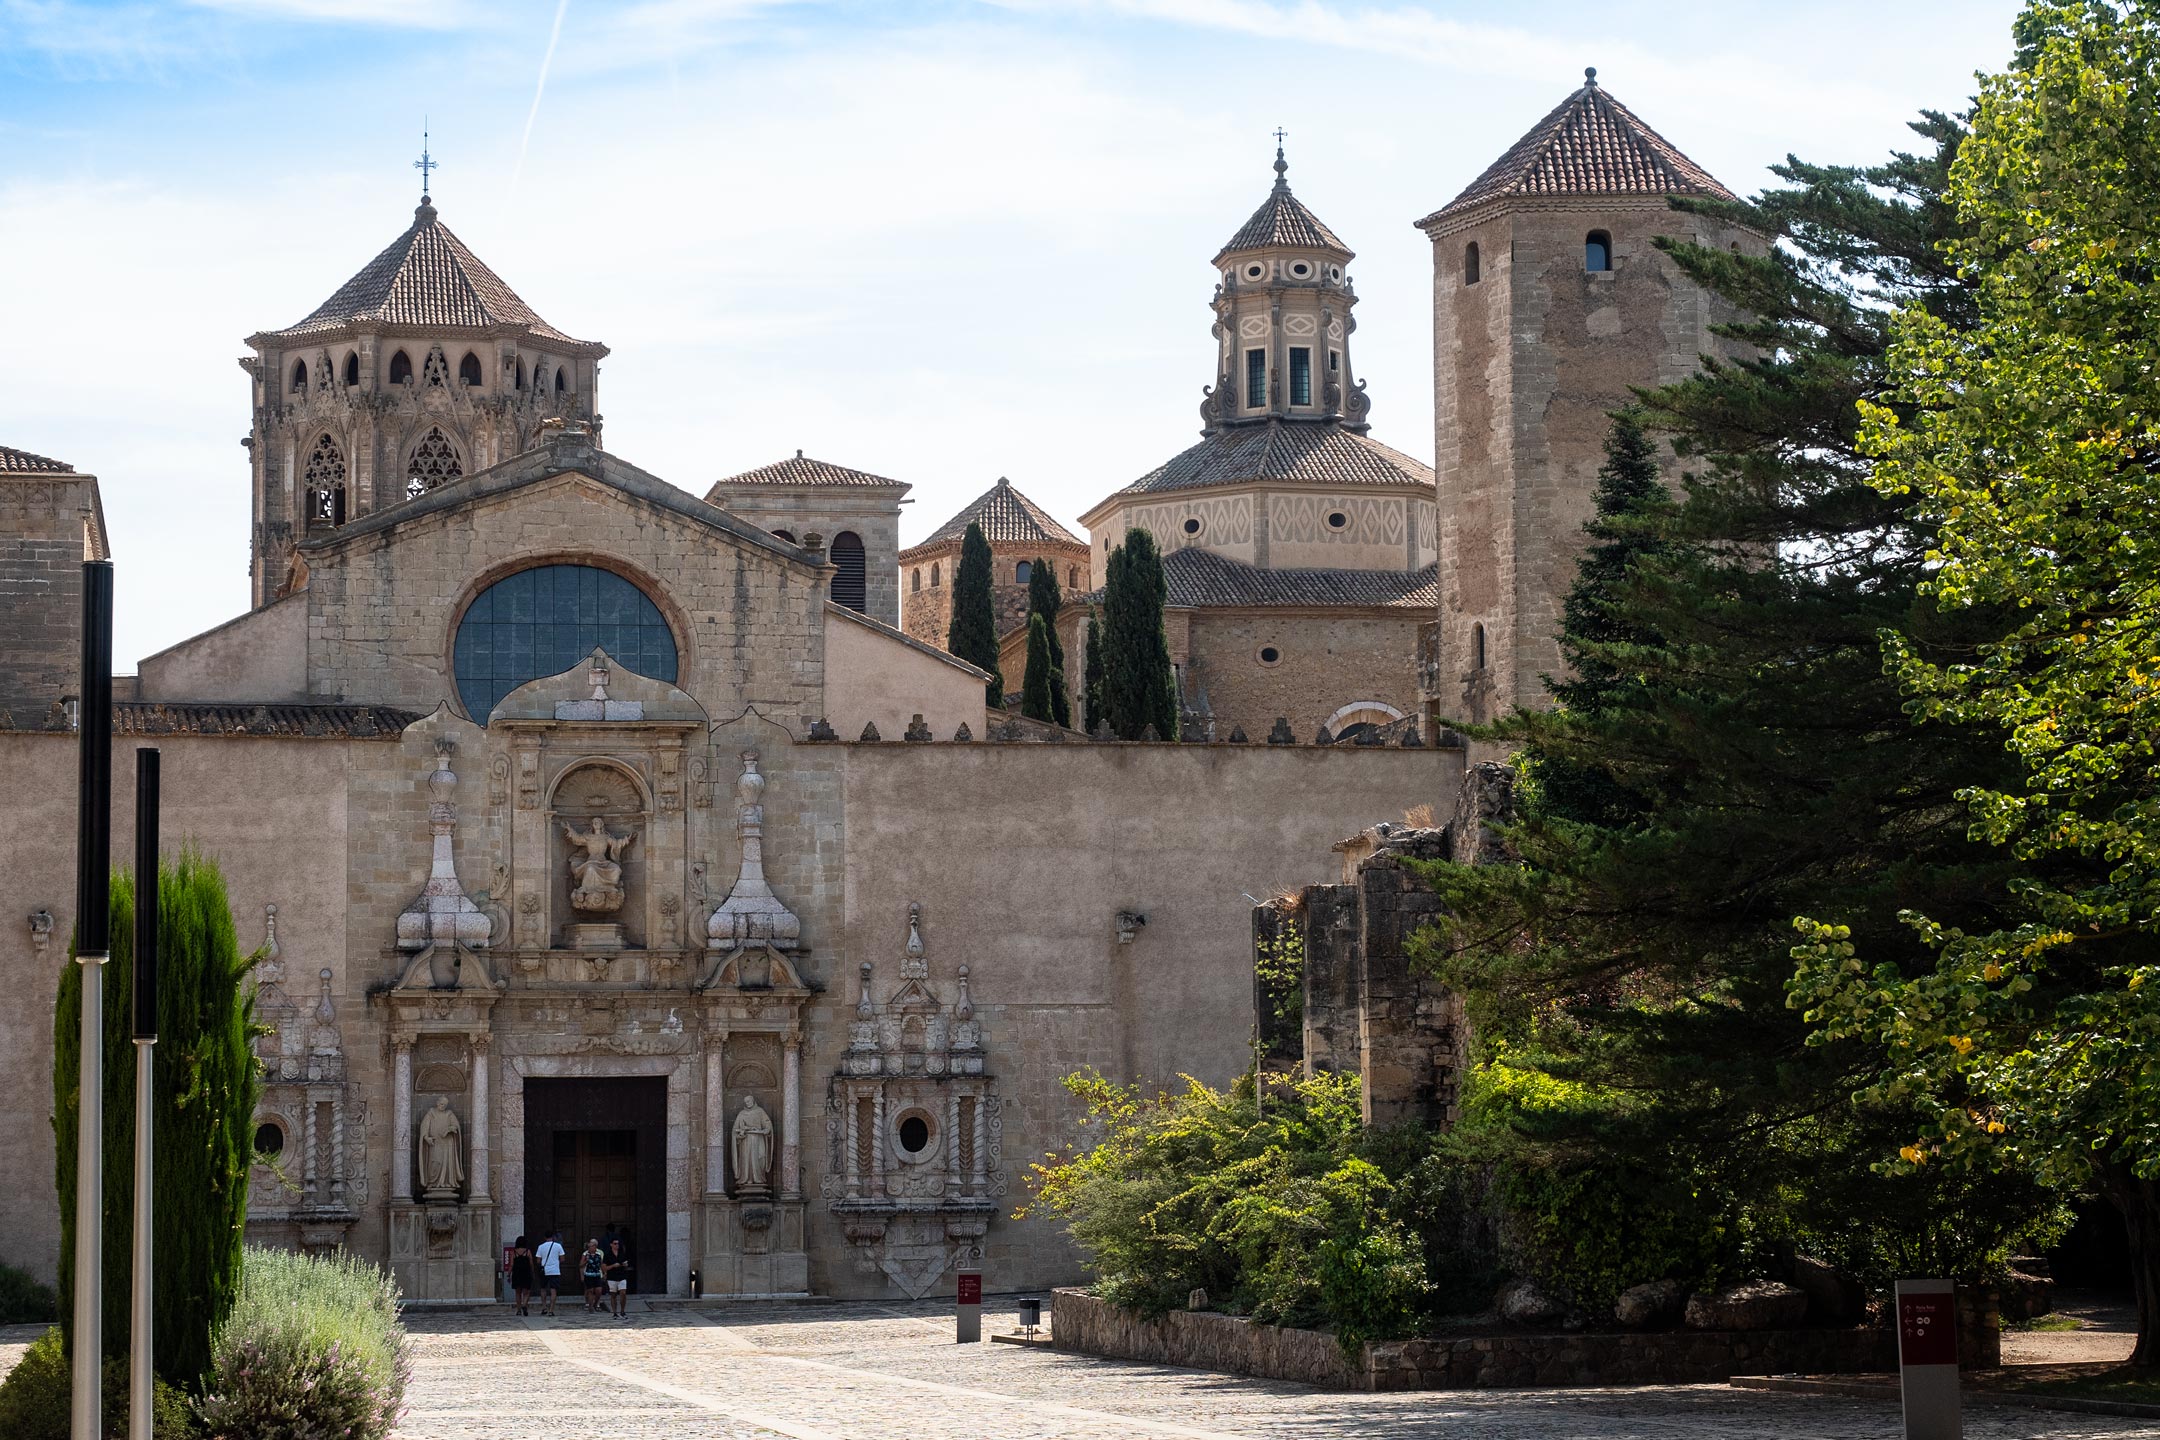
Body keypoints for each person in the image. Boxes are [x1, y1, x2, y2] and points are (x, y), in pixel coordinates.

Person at [534, 1230, 566, 1316]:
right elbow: (562, 1259)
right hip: (555, 1270)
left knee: (543, 1289)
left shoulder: (541, 1247)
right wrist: (555, 1262)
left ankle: (544, 1307)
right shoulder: (558, 1246)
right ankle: (551, 1310)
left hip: (544, 1270)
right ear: (553, 1237)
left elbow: (538, 1261)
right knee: (553, 1290)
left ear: (544, 1237)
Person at [603, 1237, 632, 1319]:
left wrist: (625, 1264)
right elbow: (604, 1268)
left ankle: (622, 1311)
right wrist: (613, 1266)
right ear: (611, 1244)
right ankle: (614, 1312)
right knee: (613, 1295)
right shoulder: (607, 1254)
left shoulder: (622, 1253)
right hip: (612, 1277)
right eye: (615, 1244)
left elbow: (626, 1264)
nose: (617, 1245)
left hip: (622, 1275)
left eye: (618, 1244)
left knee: (623, 1293)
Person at [509, 1235, 533, 1316]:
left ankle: (518, 1310)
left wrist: (509, 1274)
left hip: (517, 1273)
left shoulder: (514, 1252)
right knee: (527, 1292)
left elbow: (511, 1264)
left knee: (518, 1293)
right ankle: (524, 1304)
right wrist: (532, 1272)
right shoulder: (528, 1252)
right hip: (526, 1273)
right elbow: (531, 1263)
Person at [580, 1239, 605, 1314]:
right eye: (589, 1247)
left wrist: (604, 1273)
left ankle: (595, 1303)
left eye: (591, 1246)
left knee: (599, 1291)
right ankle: (590, 1306)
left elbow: (601, 1264)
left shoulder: (599, 1254)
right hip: (588, 1275)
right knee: (590, 1291)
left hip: (597, 1274)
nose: (590, 1248)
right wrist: (586, 1261)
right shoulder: (585, 1255)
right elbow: (580, 1265)